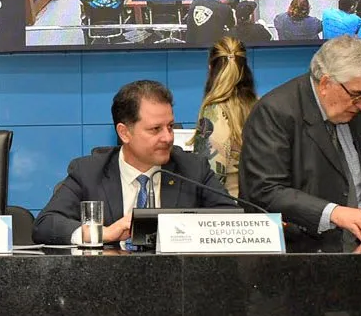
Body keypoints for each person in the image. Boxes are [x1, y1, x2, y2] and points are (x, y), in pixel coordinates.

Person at [34, 80, 236, 245]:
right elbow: (45, 224)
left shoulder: (192, 169)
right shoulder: (89, 172)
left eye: (170, 126)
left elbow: (232, 219)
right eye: (155, 129)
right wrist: (103, 233)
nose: (167, 137)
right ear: (124, 132)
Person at [239, 35, 361, 252]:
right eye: (357, 95)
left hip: (354, 253)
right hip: (297, 258)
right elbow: (265, 191)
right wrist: (333, 212)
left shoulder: (352, 111)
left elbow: (356, 183)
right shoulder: (275, 112)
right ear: (325, 83)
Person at [190, 38, 259, 197]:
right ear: (245, 68)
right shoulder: (262, 107)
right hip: (263, 212)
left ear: (210, 68)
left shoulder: (213, 114)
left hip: (227, 213)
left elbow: (208, 181)